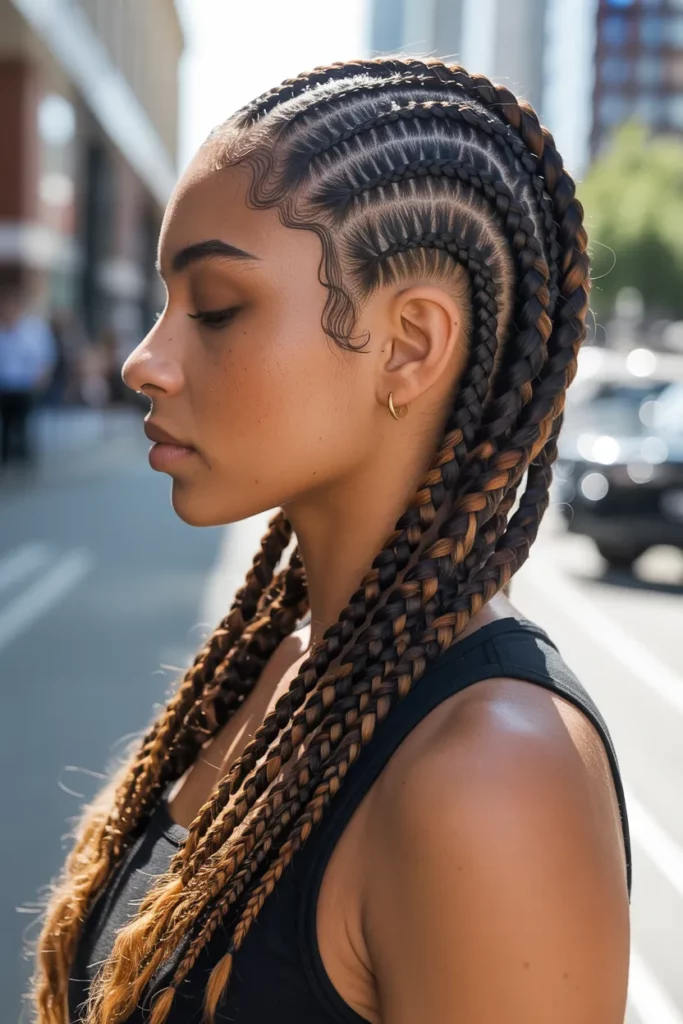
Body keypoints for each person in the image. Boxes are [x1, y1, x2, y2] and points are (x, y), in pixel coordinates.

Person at [34, 58, 631, 1024]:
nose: (146, 360)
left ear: (409, 344)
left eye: (217, 307)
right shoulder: (287, 664)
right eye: (162, 305)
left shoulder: (490, 775)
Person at [0, 288, 57, 464]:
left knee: (23, 423)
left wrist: (41, 379)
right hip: (4, 385)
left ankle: (23, 457)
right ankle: (7, 456)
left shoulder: (33, 330)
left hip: (25, 385)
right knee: (6, 424)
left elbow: (45, 356)